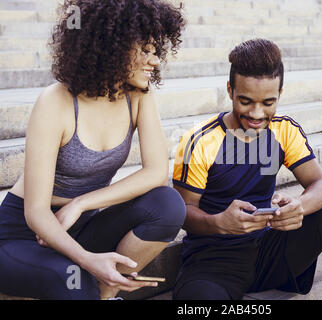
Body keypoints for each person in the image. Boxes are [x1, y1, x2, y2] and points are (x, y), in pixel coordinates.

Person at [0, 0, 186, 300]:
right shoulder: (56, 102)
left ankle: (107, 291)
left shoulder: (139, 94)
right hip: (23, 236)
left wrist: (80, 204)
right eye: (146, 50)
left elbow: (155, 172)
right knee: (71, 278)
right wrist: (90, 261)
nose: (155, 62)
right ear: (112, 45)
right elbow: (35, 213)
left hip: (81, 223)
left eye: (156, 51)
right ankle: (95, 283)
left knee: (168, 204)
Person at [171, 39, 322, 300]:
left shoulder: (284, 130)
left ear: (280, 94)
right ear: (230, 90)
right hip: (213, 261)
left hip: (268, 252)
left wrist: (299, 206)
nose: (257, 114)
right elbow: (183, 212)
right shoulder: (199, 140)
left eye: (268, 103)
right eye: (245, 101)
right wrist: (219, 223)